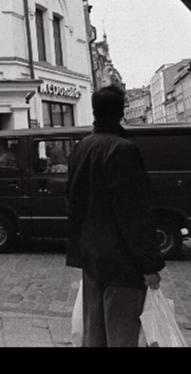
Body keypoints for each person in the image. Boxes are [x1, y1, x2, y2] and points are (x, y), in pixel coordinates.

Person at [65, 85, 164, 347]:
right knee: (122, 335)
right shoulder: (123, 149)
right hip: (122, 262)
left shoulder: (81, 148)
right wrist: (149, 264)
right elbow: (134, 213)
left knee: (93, 335)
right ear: (121, 112)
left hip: (91, 256)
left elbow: (72, 202)